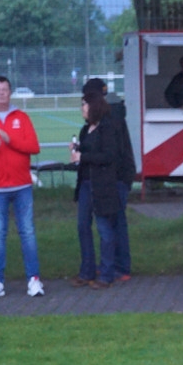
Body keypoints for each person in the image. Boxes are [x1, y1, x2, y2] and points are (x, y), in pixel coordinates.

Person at [0, 76, 44, 298]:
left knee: (28, 233)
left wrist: (10, 139)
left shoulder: (21, 117)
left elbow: (33, 146)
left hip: (22, 185)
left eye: (5, 89)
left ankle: (34, 279)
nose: (1, 93)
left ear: (10, 93)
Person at [70, 90, 124, 289]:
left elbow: (109, 156)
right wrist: (76, 153)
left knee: (104, 229)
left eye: (84, 104)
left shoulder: (107, 129)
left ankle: (107, 273)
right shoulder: (86, 130)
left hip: (102, 186)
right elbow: (86, 154)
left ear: (94, 106)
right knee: (83, 227)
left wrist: (84, 157)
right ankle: (87, 270)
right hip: (85, 184)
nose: (82, 109)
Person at [82, 78, 134, 282]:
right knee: (117, 222)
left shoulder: (108, 119)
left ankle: (119, 267)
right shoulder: (114, 113)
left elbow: (112, 153)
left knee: (114, 223)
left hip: (115, 177)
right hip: (120, 175)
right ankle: (119, 265)